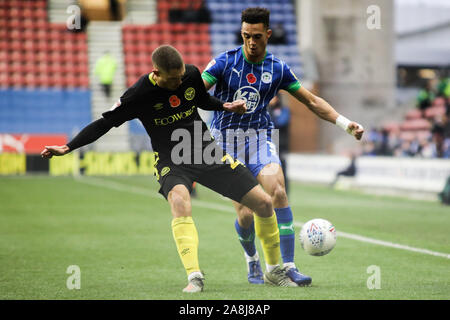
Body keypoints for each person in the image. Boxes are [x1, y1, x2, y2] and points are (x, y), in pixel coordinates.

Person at [41, 45, 297, 293]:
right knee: (180, 201)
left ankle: (274, 271)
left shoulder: (191, 75)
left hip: (205, 151)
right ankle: (195, 276)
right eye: (173, 79)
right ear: (156, 74)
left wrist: (224, 105)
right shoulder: (138, 94)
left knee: (263, 203)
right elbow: (104, 124)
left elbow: (202, 99)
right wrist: (68, 147)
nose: (179, 83)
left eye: (181, 76)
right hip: (171, 159)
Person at [202, 7, 364, 286]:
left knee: (277, 189)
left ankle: (287, 267)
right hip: (225, 141)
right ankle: (252, 259)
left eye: (256, 36)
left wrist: (344, 123)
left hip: (259, 137)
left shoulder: (277, 68)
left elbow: (312, 101)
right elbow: (196, 92)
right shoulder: (223, 63)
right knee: (245, 213)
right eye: (245, 36)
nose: (251, 42)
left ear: (268, 34)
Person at [267, 94, 290, 194]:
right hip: (268, 145)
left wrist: (270, 111)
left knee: (282, 172)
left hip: (281, 146)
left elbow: (280, 122)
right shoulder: (266, 110)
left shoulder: (284, 110)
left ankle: (285, 195)